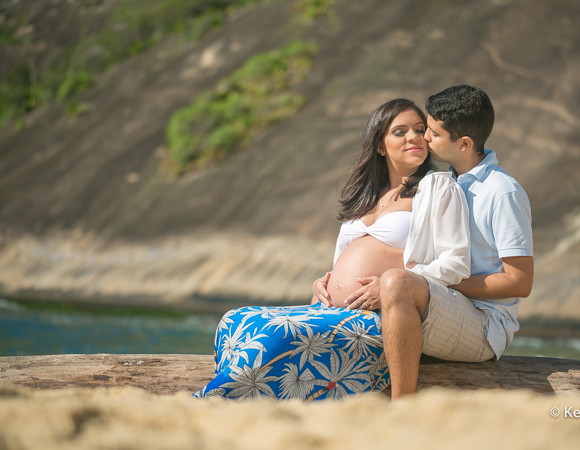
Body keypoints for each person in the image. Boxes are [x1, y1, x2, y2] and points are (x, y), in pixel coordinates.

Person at [194, 98, 471, 400]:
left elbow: (455, 262)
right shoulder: (366, 196)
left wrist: (392, 286)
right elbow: (344, 260)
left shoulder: (438, 188)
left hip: (383, 316)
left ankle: (218, 400)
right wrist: (324, 281)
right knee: (236, 318)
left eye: (420, 129)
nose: (414, 137)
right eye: (400, 131)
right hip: (328, 307)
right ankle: (241, 401)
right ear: (380, 145)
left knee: (276, 336)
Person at [376, 85, 534, 399]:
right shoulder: (442, 182)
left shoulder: (502, 192)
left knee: (397, 284)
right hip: (446, 303)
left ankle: (400, 409)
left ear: (463, 143)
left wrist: (443, 284)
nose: (423, 139)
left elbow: (520, 282)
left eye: (432, 133)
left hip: (484, 323)